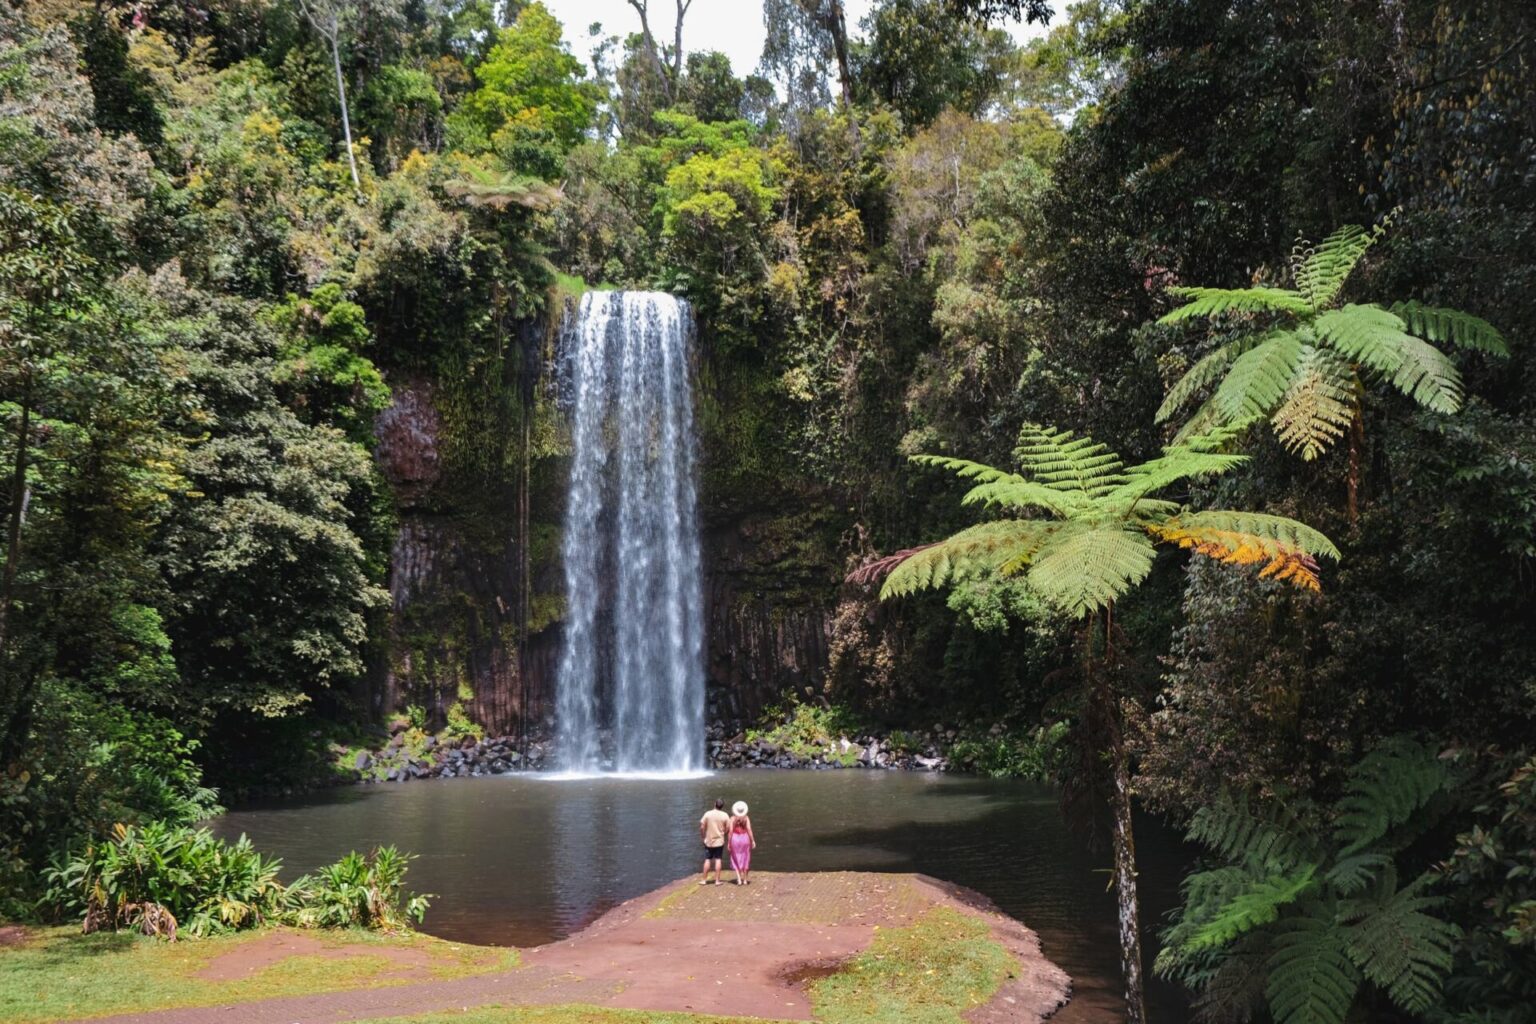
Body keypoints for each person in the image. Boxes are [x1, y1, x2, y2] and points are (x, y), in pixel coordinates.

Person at [699, 797, 730, 885]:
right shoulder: (725, 815)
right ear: (722, 806)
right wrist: (724, 833)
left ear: (714, 804)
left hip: (708, 841)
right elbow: (728, 827)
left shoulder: (707, 814)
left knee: (707, 859)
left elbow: (701, 827)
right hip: (719, 841)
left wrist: (702, 837)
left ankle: (704, 880)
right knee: (718, 859)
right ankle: (717, 880)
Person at [728, 800, 756, 885]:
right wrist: (753, 840)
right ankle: (745, 880)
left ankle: (739, 879)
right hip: (745, 838)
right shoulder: (746, 818)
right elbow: (749, 829)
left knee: (735, 857)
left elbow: (730, 832)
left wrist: (729, 843)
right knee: (746, 857)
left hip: (735, 839)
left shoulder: (732, 818)